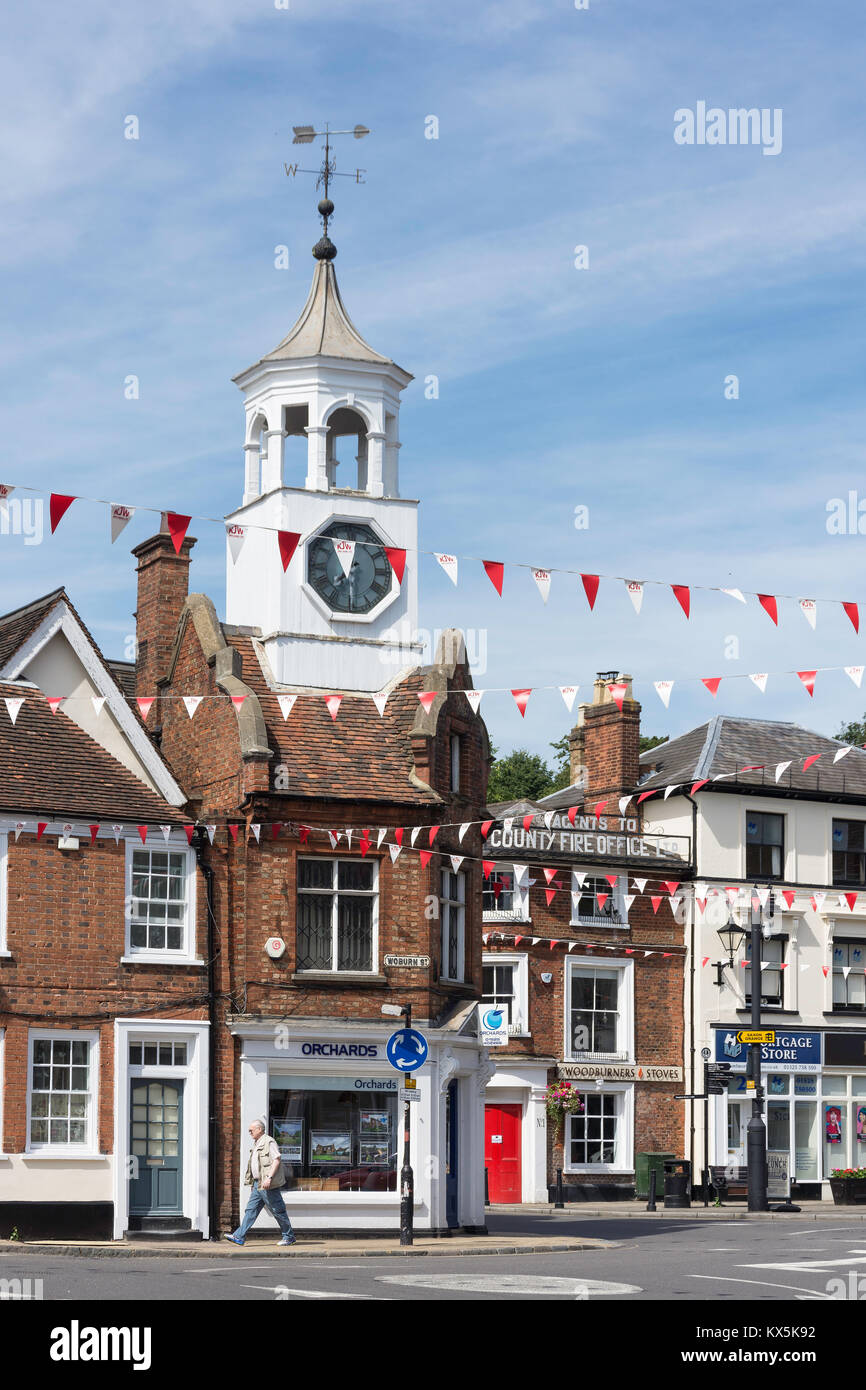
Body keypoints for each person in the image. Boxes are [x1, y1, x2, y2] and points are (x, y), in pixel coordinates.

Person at [225, 1119, 296, 1247]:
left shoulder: (269, 1141)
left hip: (267, 1184)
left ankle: (289, 1236)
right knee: (251, 1210)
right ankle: (239, 1236)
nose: (249, 1132)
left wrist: (269, 1178)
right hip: (258, 1184)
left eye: (251, 1130)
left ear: (259, 1129)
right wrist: (253, 1183)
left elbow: (276, 1159)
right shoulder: (257, 1143)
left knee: (278, 1210)